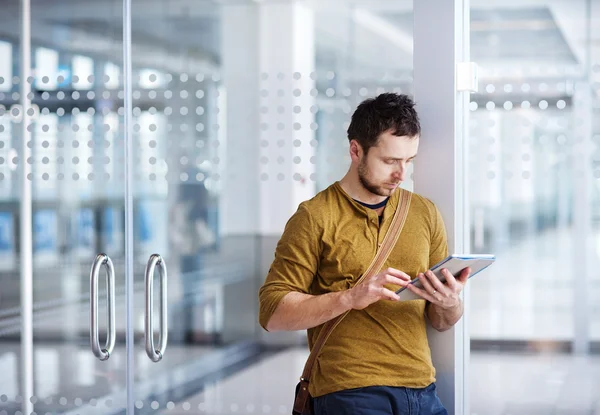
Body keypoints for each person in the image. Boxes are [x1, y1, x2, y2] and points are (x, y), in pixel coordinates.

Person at [258, 93, 471, 415]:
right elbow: (272, 314)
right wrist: (351, 297)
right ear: (356, 150)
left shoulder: (424, 212)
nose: (401, 174)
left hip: (422, 390)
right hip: (350, 391)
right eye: (389, 161)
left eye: (408, 161)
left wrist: (449, 302)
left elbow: (442, 322)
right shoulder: (315, 216)